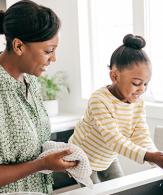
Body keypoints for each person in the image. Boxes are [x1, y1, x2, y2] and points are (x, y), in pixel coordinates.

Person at [0, 0, 77, 194]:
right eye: (48, 51)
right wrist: (40, 164)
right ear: (19, 46)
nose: (54, 58)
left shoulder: (30, 81)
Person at [69, 34, 163, 184]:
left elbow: (141, 135)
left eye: (146, 83)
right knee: (95, 192)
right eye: (137, 83)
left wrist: (156, 156)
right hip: (83, 158)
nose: (142, 89)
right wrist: (150, 156)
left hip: (107, 157)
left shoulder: (138, 103)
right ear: (114, 76)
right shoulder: (99, 100)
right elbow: (115, 140)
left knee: (121, 188)